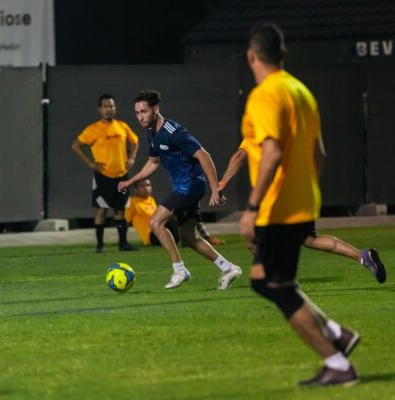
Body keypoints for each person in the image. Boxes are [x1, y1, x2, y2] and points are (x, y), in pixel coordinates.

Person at [239, 22, 368, 386]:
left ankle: (338, 364)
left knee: (271, 285)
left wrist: (251, 207)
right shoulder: (301, 91)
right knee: (268, 280)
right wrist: (303, 187)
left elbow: (272, 151)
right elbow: (319, 154)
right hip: (301, 202)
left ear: (252, 55)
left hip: (277, 209)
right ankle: (336, 332)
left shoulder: (266, 94)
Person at [118, 90, 241, 290]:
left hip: (190, 185)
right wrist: (131, 180)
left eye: (144, 111)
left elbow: (204, 155)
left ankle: (179, 270)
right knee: (190, 238)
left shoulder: (173, 132)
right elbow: (153, 163)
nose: (140, 116)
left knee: (155, 222)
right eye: (137, 112)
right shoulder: (151, 133)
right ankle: (228, 268)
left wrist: (215, 189)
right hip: (184, 186)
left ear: (156, 109)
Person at [218, 141, 386, 284]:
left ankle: (283, 280)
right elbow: (320, 155)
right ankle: (363, 256)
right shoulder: (298, 122)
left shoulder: (264, 122)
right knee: (310, 239)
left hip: (278, 192)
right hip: (302, 186)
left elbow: (240, 156)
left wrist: (222, 183)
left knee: (253, 237)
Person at [72, 94, 139, 253]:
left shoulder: (122, 126)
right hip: (104, 175)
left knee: (120, 209)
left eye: (112, 106)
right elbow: (76, 145)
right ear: (100, 109)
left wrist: (132, 158)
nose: (109, 109)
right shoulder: (93, 129)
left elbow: (134, 141)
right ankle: (100, 245)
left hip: (121, 175)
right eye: (106, 106)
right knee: (101, 209)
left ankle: (123, 244)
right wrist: (90, 163)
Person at [125, 178, 225, 246]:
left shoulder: (150, 199)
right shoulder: (132, 202)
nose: (146, 188)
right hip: (152, 237)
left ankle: (200, 237)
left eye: (148, 185)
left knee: (187, 208)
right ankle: (194, 238)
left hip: (167, 233)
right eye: (142, 186)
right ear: (135, 190)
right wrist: (124, 241)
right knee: (174, 210)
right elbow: (125, 221)